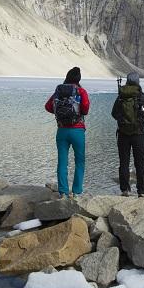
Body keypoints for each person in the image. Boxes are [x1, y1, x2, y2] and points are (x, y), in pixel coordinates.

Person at [45, 66, 89, 199]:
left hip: (62, 130)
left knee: (62, 161)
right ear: (78, 79)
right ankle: (76, 192)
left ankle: (63, 192)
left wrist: (60, 113)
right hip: (77, 131)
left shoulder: (59, 91)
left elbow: (47, 106)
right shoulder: (81, 91)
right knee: (79, 161)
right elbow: (85, 109)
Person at [111, 72, 144, 197]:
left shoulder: (121, 96)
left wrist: (123, 119)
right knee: (140, 163)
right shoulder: (142, 97)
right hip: (139, 134)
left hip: (123, 134)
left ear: (127, 81)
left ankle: (125, 190)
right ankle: (141, 191)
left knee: (124, 162)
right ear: (138, 82)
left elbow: (113, 114)